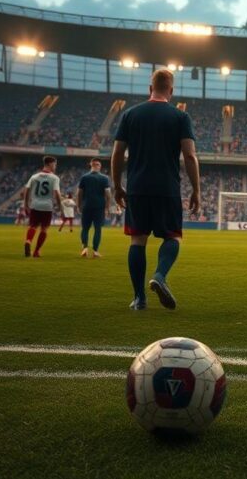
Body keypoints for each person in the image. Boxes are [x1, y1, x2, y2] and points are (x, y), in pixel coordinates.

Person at [111, 69, 200, 311]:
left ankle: (139, 298)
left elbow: (118, 153)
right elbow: (189, 156)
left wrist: (118, 186)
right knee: (172, 237)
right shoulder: (180, 117)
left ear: (150, 89)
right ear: (171, 91)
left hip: (137, 188)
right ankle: (160, 276)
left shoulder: (130, 115)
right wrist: (196, 190)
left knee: (137, 240)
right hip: (167, 188)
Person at [21, 156, 62, 258]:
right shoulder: (55, 178)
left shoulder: (34, 176)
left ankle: (28, 241)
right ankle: (36, 251)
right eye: (55, 164)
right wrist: (60, 206)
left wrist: (26, 204)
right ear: (50, 164)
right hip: (47, 206)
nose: (55, 166)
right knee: (44, 229)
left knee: (33, 226)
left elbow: (26, 191)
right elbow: (57, 193)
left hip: (34, 205)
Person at [77, 158, 112, 259]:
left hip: (86, 206)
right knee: (98, 229)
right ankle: (95, 251)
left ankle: (84, 248)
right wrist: (107, 208)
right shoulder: (104, 178)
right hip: (99, 207)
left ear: (91, 165)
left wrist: (79, 206)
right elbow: (108, 195)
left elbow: (79, 193)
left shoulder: (84, 177)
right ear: (99, 166)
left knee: (85, 228)